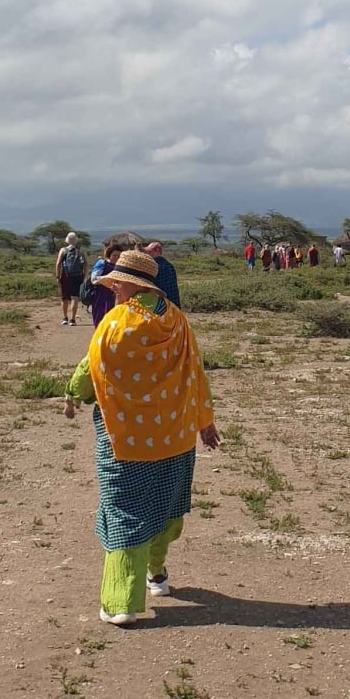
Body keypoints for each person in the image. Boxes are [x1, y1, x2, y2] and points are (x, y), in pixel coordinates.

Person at [61, 251, 220, 626]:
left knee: (124, 511)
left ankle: (121, 603)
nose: (112, 286)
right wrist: (204, 421)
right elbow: (195, 371)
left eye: (117, 282)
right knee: (164, 507)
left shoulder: (115, 323)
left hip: (126, 439)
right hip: (176, 435)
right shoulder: (178, 321)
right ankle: (157, 574)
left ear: (130, 286)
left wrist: (72, 395)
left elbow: (90, 368)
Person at [55, 231, 87, 326]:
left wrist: (58, 276)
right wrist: (84, 276)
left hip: (66, 276)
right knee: (75, 298)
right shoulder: (80, 251)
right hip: (77, 276)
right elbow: (85, 264)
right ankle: (73, 319)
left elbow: (58, 264)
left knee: (64, 298)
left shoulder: (63, 250)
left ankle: (65, 317)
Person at [88, 241, 122, 327]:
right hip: (101, 295)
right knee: (100, 318)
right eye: (114, 255)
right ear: (109, 255)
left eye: (119, 256)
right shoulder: (102, 264)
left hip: (115, 295)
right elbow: (94, 279)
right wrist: (107, 279)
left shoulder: (121, 267)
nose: (116, 258)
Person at [142, 241, 182, 307]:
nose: (148, 254)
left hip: (160, 302)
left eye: (150, 252)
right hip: (173, 301)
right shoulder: (169, 265)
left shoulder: (153, 266)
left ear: (157, 251)